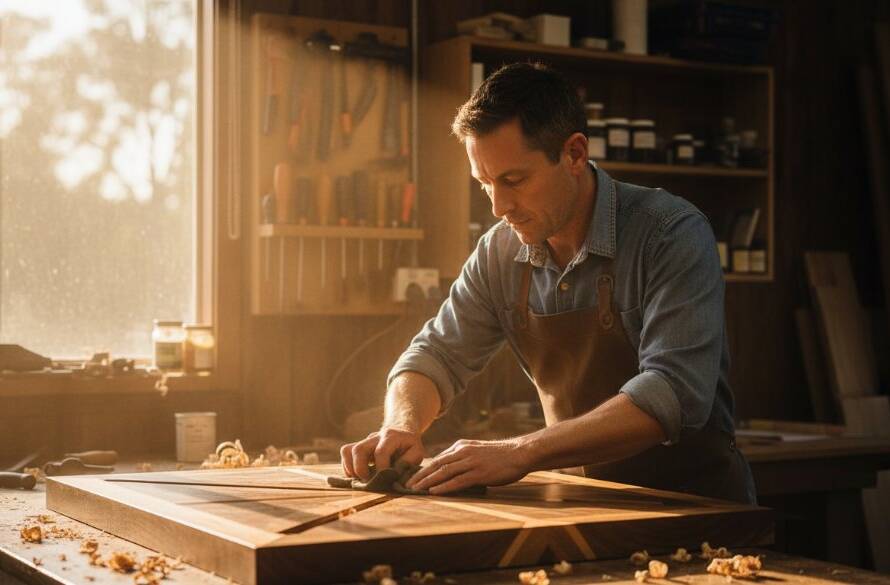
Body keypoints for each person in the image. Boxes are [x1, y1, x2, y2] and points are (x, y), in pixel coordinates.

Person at [339, 62, 756, 504]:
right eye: (485, 185)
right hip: (580, 500)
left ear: (574, 154)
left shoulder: (670, 233)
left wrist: (520, 452)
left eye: (513, 180)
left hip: (695, 508)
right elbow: (434, 356)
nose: (499, 206)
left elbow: (671, 392)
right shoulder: (499, 252)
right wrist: (401, 425)